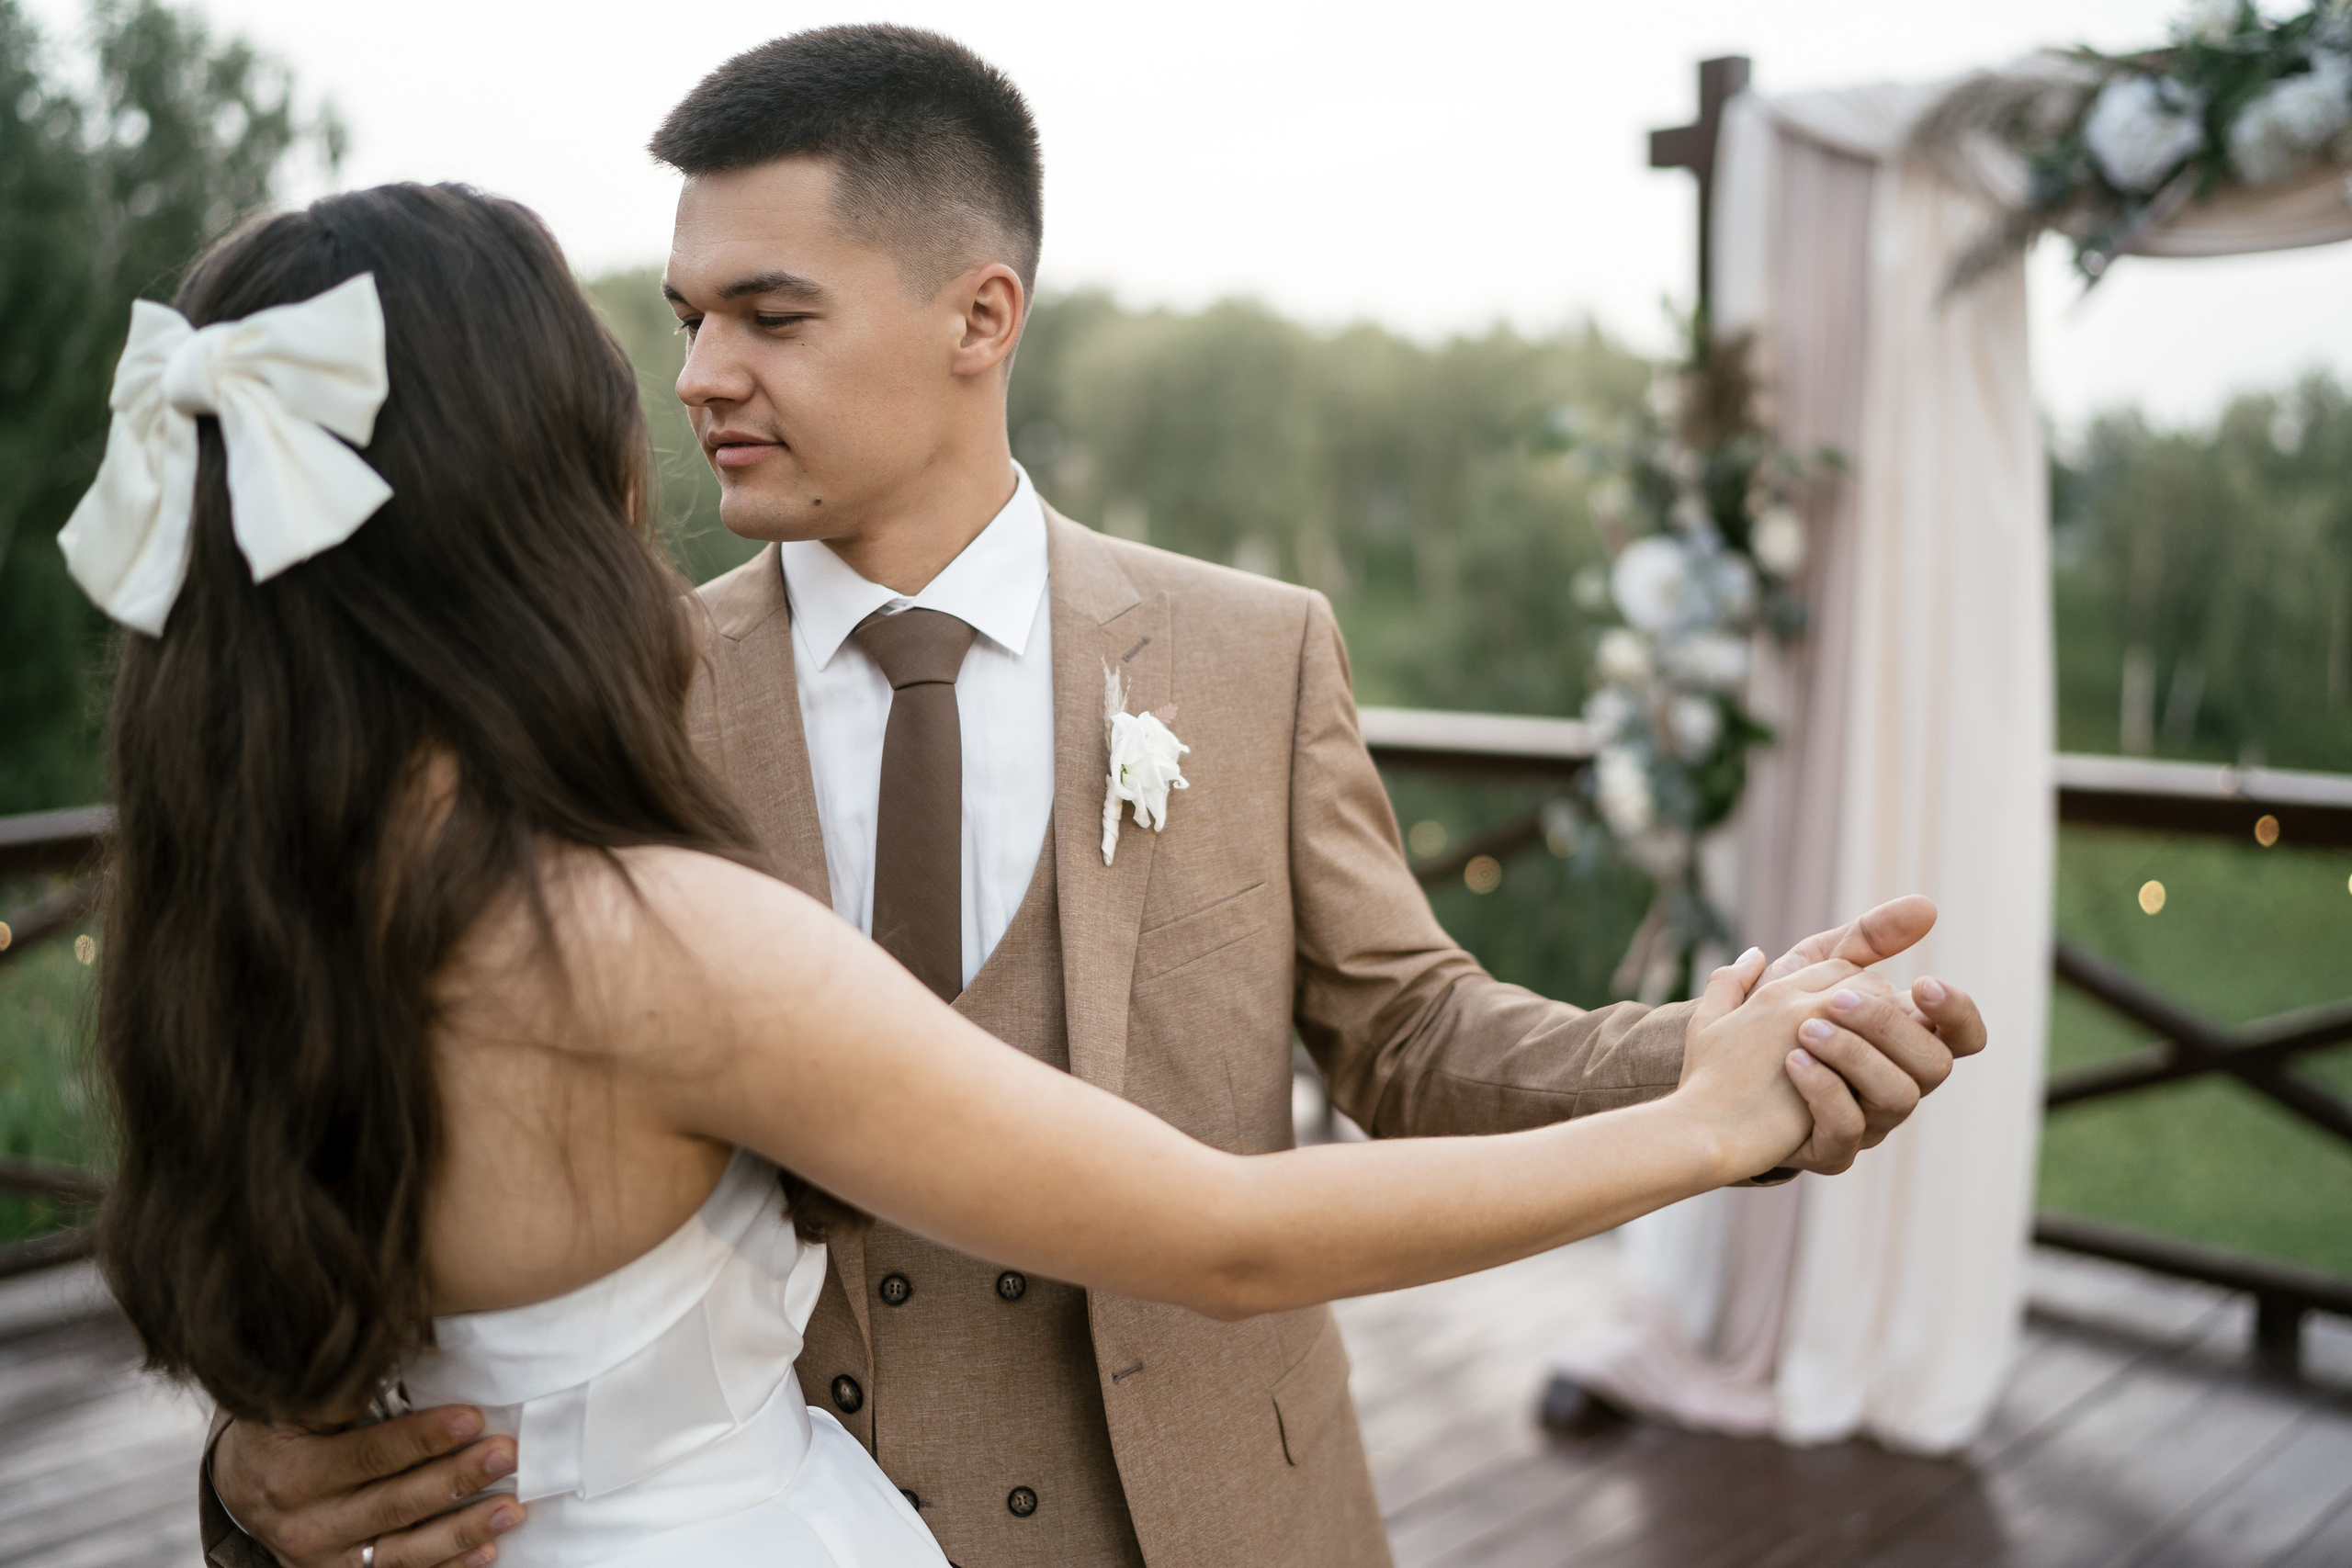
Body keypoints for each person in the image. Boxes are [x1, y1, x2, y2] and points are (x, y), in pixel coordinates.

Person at [184, 28, 1989, 1568]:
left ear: (981, 314)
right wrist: (250, 1456)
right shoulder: (596, 710)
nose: (697, 374)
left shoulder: (1244, 650)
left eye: (767, 311)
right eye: (681, 315)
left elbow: (1412, 1029)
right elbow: (337, 1101)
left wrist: (1706, 1059)